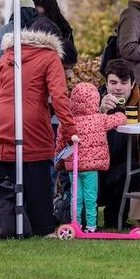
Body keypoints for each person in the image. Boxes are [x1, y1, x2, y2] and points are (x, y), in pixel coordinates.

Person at [0, 24, 77, 237]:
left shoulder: (10, 53)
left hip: (1, 120)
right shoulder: (50, 56)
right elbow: (59, 97)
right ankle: (42, 228)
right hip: (31, 122)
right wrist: (70, 129)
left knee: (8, 180)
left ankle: (4, 223)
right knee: (37, 178)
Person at [56, 83, 126, 233]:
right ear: (95, 100)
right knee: (90, 197)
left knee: (76, 197)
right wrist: (122, 115)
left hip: (73, 167)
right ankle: (91, 226)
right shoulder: (99, 119)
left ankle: (76, 224)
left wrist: (58, 163)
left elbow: (60, 145)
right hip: (91, 168)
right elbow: (117, 119)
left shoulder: (67, 123)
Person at [97, 58, 140, 228]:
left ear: (132, 84)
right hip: (95, 169)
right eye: (113, 82)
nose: (118, 88)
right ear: (106, 84)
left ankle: (116, 219)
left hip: (122, 168)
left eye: (124, 83)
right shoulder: (95, 101)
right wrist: (101, 111)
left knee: (134, 168)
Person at [0, 0, 38, 75]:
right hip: (35, 80)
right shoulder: (41, 29)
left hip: (8, 79)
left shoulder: (4, 31)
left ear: (13, 11)